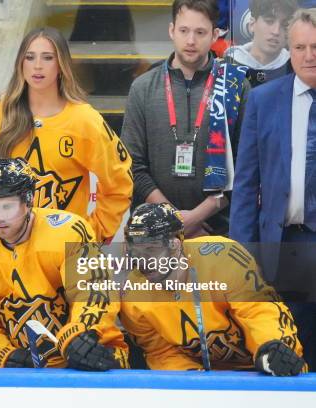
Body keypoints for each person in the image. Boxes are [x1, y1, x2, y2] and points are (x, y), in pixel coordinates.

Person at [0, 27, 133, 242]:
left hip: (64, 251)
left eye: (47, 58)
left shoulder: (85, 120)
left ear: (61, 65)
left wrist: (93, 233)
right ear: (20, 63)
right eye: (30, 57)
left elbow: (119, 181)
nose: (37, 66)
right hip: (9, 250)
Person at [0, 158, 129, 370]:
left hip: (92, 351)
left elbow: (94, 288)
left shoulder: (69, 231)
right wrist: (2, 354)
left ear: (28, 201)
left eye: (7, 206)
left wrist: (81, 331)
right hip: (29, 369)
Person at [119, 203, 306, 374]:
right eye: (135, 251)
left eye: (151, 250)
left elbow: (258, 310)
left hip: (260, 368)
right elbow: (160, 352)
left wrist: (271, 349)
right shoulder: (132, 296)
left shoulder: (223, 256)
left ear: (175, 244)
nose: (142, 262)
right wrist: (190, 379)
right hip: (201, 378)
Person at [230, 8, 316, 370]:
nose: (309, 56)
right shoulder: (264, 100)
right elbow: (246, 186)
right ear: (289, 49)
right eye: (300, 47)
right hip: (282, 248)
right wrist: (241, 257)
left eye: (315, 47)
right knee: (288, 355)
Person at [121, 0, 251, 239]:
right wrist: (176, 220)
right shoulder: (143, 88)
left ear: (215, 35)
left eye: (200, 32)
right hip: (154, 235)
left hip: (218, 231)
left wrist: (197, 216)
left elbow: (246, 168)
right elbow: (133, 167)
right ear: (172, 31)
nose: (191, 41)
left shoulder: (234, 87)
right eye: (184, 31)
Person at [225, 0, 297, 87]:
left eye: (284, 25)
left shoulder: (296, 66)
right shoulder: (227, 64)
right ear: (252, 24)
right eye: (269, 21)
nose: (276, 31)